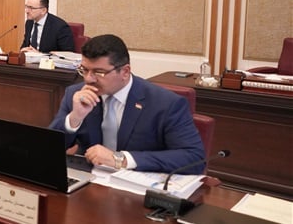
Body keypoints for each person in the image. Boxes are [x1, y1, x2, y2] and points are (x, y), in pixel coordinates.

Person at [49, 34, 204, 173]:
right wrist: (74, 118)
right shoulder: (76, 94)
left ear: (125, 72)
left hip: (136, 183)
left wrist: (121, 159)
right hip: (89, 180)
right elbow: (48, 148)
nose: (89, 79)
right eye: (84, 70)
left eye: (99, 72)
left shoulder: (165, 103)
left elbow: (194, 158)